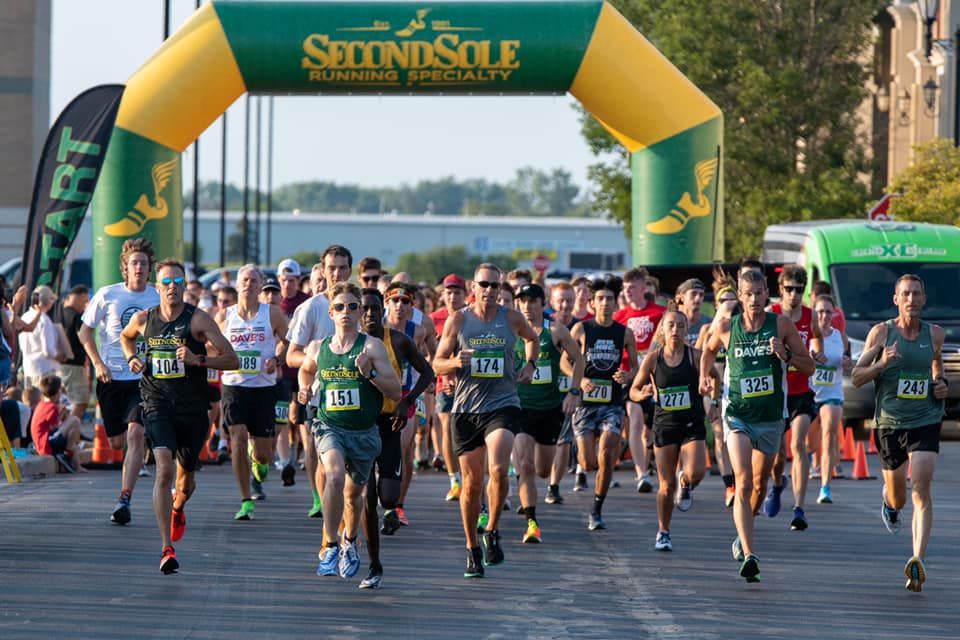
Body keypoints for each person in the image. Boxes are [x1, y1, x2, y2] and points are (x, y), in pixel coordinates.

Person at [121, 258, 239, 574]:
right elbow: (126, 337)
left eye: (177, 282)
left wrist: (198, 359)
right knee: (163, 470)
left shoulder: (198, 320)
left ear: (185, 286)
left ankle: (178, 505)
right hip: (156, 401)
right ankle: (166, 549)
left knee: (185, 483)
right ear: (157, 287)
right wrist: (132, 358)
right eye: (166, 282)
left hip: (192, 408)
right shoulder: (145, 319)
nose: (172, 288)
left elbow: (232, 359)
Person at [700, 269, 813, 582]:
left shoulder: (782, 325)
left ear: (767, 294)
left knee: (761, 485)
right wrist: (704, 377)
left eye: (758, 293)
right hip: (737, 414)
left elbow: (809, 365)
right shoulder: (725, 326)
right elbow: (707, 352)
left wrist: (786, 354)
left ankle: (742, 532)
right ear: (739, 296)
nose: (752, 300)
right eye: (746, 294)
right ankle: (750, 554)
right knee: (744, 479)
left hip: (772, 417)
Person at [433, 263, 539, 577]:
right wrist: (454, 362)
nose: (490, 291)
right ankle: (472, 548)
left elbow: (533, 339)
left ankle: (491, 529)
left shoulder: (513, 318)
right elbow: (437, 363)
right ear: (473, 287)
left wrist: (530, 365)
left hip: (503, 404)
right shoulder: (459, 319)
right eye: (484, 285)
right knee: (472, 485)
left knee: (498, 468)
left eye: (495, 286)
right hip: (466, 409)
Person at [297, 282, 401, 581]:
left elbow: (395, 391)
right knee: (333, 474)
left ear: (359, 312)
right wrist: (305, 389)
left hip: (364, 432)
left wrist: (369, 373)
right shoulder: (319, 347)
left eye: (352, 307)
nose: (347, 312)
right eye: (340, 307)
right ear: (331, 312)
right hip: (330, 425)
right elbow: (306, 368)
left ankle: (349, 541)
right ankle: (330, 543)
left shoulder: (371, 347)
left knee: (354, 496)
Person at [852, 274, 947, 592]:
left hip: (925, 418)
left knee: (921, 487)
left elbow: (936, 365)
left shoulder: (935, 334)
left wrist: (940, 382)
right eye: (905, 294)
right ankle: (890, 505)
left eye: (917, 294)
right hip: (889, 423)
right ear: (896, 299)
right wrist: (881, 364)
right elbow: (856, 377)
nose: (911, 299)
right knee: (900, 495)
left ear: (923, 298)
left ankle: (917, 560)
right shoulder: (881, 333)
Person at [79, 237, 161, 525]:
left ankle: (124, 499)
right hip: (111, 376)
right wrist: (98, 363)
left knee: (134, 434)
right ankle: (147, 439)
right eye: (133, 263)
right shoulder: (108, 295)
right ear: (125, 268)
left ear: (150, 269)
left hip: (144, 378)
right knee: (116, 442)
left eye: (143, 263)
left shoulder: (157, 297)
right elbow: (84, 333)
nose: (139, 267)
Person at [358, 287, 433, 588]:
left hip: (390, 424)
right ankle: (374, 564)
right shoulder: (348, 343)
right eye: (363, 309)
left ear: (383, 310)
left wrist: (406, 400)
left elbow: (428, 373)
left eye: (375, 309)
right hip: (360, 426)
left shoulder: (398, 340)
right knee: (367, 496)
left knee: (388, 497)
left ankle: (385, 512)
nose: (369, 314)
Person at [632, 309, 714, 552]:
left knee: (697, 472)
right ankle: (663, 531)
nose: (675, 330)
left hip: (692, 423)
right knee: (666, 487)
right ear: (663, 330)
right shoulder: (652, 358)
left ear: (686, 330)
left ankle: (686, 481)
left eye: (680, 325)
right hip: (665, 425)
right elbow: (633, 390)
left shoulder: (696, 356)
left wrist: (714, 399)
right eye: (671, 325)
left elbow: (716, 377)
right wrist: (643, 393)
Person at [216, 265, 289, 520]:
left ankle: (257, 460)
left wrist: (276, 359)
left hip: (263, 388)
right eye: (244, 279)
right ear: (237, 284)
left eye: (254, 280)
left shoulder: (272, 314)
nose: (249, 283)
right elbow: (212, 345)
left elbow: (288, 342)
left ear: (260, 286)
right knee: (236, 438)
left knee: (264, 454)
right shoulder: (225, 316)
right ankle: (246, 500)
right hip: (234, 386)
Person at [513, 283, 584, 542]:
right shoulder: (511, 331)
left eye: (533, 301)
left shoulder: (555, 330)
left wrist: (574, 392)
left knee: (543, 470)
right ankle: (532, 522)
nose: (527, 306)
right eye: (523, 301)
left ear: (543, 304)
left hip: (550, 409)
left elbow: (579, 360)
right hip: (520, 408)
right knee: (526, 465)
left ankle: (532, 492)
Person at [571, 275, 637, 530]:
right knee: (589, 462)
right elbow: (565, 361)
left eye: (610, 299)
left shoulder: (625, 332)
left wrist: (627, 375)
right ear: (592, 302)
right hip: (586, 403)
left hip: (612, 402)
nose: (605, 303)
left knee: (608, 453)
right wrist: (582, 378)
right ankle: (582, 465)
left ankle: (597, 508)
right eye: (600, 299)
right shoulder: (581, 329)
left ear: (615, 303)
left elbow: (635, 367)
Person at [286, 249, 345, 518]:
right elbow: (292, 355)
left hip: (353, 392)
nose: (337, 274)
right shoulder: (311, 308)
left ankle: (342, 503)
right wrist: (322, 359)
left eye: (343, 268)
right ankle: (319, 498)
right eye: (331, 268)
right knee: (317, 448)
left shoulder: (357, 305)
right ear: (323, 269)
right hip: (320, 393)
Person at [765, 264, 817, 530]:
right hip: (777, 392)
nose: (794, 294)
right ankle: (777, 484)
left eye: (799, 289)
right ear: (780, 290)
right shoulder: (770, 315)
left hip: (802, 392)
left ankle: (799, 508)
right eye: (789, 289)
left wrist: (815, 353)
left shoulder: (810, 315)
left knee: (798, 444)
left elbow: (818, 340)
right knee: (777, 454)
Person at [382, 282, 433, 525]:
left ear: (412, 306)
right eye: (395, 301)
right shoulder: (375, 329)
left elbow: (425, 357)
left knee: (402, 450)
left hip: (408, 396)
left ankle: (397, 505)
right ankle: (380, 498)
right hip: (380, 396)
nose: (400, 306)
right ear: (386, 302)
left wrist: (428, 380)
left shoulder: (418, 331)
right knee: (380, 452)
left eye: (406, 302)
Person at [613, 267, 664, 493]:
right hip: (630, 378)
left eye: (632, 287)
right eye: (625, 289)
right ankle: (641, 474)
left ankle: (664, 470)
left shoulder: (659, 313)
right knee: (634, 419)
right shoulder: (620, 317)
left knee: (655, 428)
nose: (628, 292)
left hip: (655, 378)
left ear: (644, 287)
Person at [696, 276, 739, 507]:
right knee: (719, 435)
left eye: (733, 299)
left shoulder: (740, 326)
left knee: (737, 435)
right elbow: (698, 356)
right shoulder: (708, 329)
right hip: (714, 388)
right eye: (724, 299)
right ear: (717, 304)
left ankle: (741, 478)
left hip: (734, 386)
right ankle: (729, 485)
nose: (728, 302)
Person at [808, 294, 850, 505]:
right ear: (814, 312)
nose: (824, 316)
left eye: (828, 311)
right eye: (820, 311)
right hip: (809, 394)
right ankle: (807, 463)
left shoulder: (840, 337)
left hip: (833, 393)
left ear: (834, 313)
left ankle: (825, 487)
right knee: (807, 443)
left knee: (829, 434)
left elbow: (849, 362)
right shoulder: (807, 335)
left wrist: (847, 362)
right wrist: (811, 359)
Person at [430, 273, 467, 504]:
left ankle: (470, 476)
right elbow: (430, 356)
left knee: (466, 432)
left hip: (472, 385)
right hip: (444, 384)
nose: (453, 297)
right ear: (442, 294)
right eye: (449, 292)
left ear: (464, 295)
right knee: (447, 428)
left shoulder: (470, 317)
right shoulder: (433, 319)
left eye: (457, 292)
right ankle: (454, 480)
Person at [276, 258, 311, 487]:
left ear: (298, 281)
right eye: (284, 280)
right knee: (281, 419)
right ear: (279, 280)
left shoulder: (306, 304)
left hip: (301, 368)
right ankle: (285, 461)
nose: (287, 284)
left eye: (292, 280)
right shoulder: (272, 305)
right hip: (279, 371)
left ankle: (306, 455)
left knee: (300, 419)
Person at [30, 374, 84, 473]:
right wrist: (63, 415)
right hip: (47, 444)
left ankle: (75, 462)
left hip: (43, 442)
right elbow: (54, 428)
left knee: (73, 430)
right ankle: (68, 454)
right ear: (58, 391)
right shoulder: (51, 407)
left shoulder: (42, 404)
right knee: (75, 420)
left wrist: (62, 416)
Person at [19, 286, 64, 389]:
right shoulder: (44, 320)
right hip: (44, 370)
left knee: (31, 402)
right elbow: (48, 350)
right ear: (48, 301)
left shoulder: (24, 316)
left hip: (28, 368)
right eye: (52, 299)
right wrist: (60, 357)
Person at [60, 285, 91, 422]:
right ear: (79, 297)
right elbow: (83, 338)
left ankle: (67, 432)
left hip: (58, 364)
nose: (85, 305)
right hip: (74, 365)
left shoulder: (58, 313)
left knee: (65, 402)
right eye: (85, 301)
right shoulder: (77, 317)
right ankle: (69, 430)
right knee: (80, 401)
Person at [676, 279, 712, 347]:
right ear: (682, 297)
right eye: (693, 294)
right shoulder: (671, 324)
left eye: (701, 295)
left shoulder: (709, 324)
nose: (698, 298)